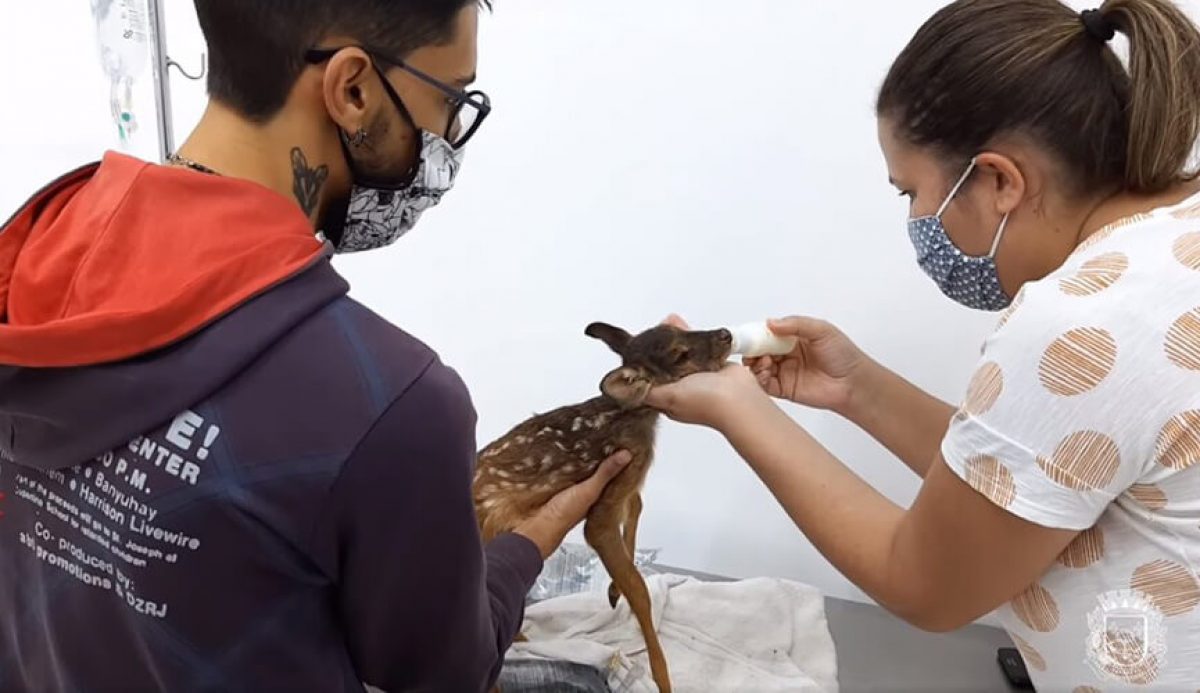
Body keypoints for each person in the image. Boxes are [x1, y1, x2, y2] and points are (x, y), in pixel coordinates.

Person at [0, 1, 629, 690]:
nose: (449, 137)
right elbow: (441, 674)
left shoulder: (32, 260)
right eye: (453, 102)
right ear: (353, 89)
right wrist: (525, 545)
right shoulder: (388, 402)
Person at [650, 0, 1200, 689]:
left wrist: (739, 409)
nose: (915, 222)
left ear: (1000, 180)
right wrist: (859, 388)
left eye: (911, 192)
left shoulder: (1084, 320)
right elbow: (1036, 476)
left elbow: (928, 584)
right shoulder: (1173, 244)